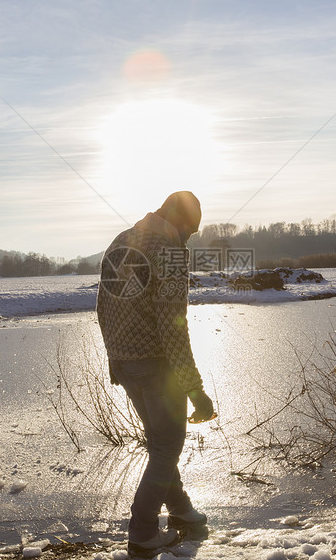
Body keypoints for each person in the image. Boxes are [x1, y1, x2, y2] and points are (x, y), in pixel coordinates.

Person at [96, 191, 216, 556]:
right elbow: (173, 329)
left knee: (161, 443)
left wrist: (117, 359)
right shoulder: (171, 254)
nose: (189, 239)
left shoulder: (122, 241)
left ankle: (180, 511)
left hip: (126, 364)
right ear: (180, 223)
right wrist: (196, 390)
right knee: (167, 446)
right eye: (191, 232)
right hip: (157, 365)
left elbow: (102, 307)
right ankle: (143, 530)